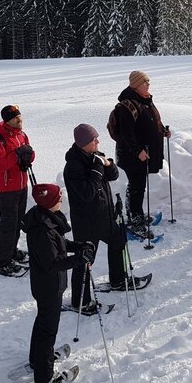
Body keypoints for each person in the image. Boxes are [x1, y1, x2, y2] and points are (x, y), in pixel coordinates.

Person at [21, 184, 93, 383]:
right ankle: (44, 377)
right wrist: (79, 259)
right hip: (48, 285)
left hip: (48, 285)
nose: (62, 201)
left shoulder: (46, 220)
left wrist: (78, 246)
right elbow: (52, 264)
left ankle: (37, 360)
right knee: (48, 330)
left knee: (43, 321)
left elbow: (59, 245)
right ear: (49, 202)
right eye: (59, 198)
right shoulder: (42, 231)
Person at [63, 124, 128, 315]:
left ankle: (117, 280)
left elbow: (113, 176)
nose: (98, 142)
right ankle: (80, 302)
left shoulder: (96, 156)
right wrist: (99, 168)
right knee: (84, 259)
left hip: (105, 216)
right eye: (94, 140)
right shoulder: (73, 166)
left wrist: (108, 164)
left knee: (119, 240)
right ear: (84, 144)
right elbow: (88, 193)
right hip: (87, 222)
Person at [112, 71, 170, 235]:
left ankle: (136, 214)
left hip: (143, 153)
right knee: (136, 185)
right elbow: (126, 133)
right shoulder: (128, 105)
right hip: (132, 155)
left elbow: (151, 121)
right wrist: (138, 151)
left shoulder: (145, 101)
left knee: (139, 185)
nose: (148, 85)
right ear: (136, 85)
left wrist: (162, 131)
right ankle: (134, 219)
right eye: (145, 82)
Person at [0, 104, 35, 276]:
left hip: (22, 185)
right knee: (8, 225)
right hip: (7, 189)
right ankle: (3, 261)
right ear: (8, 120)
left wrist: (27, 154)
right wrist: (18, 154)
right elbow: (1, 166)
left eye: (20, 116)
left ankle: (11, 251)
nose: (20, 120)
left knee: (17, 222)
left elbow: (30, 154)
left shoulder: (21, 135)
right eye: (16, 118)